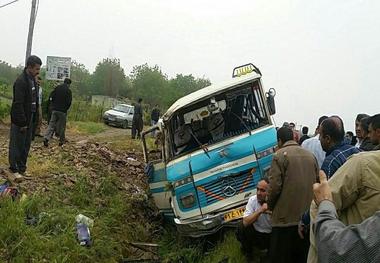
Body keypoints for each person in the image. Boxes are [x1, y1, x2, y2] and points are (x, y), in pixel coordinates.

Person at [307, 150, 380, 263]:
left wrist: (325, 204)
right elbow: (317, 204)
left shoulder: (362, 165)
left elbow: (334, 249)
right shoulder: (363, 165)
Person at [267, 127, 318, 263]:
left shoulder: (278, 156)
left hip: (285, 219)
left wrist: (270, 206)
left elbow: (274, 187)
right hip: (308, 217)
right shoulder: (310, 155)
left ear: (279, 140)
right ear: (294, 137)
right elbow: (317, 182)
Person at [8, 55, 42, 181]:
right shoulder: (21, 81)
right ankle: (14, 168)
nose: (38, 71)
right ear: (29, 67)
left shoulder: (33, 80)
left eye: (39, 69)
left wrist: (35, 119)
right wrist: (22, 123)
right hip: (20, 120)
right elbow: (18, 104)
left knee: (26, 145)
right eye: (36, 69)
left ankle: (22, 168)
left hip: (30, 118)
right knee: (17, 145)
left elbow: (34, 100)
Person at [236, 178, 272, 260]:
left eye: (263, 190)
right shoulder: (253, 200)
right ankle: (248, 252)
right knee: (241, 226)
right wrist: (260, 210)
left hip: (271, 235)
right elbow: (245, 222)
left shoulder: (275, 201)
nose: (259, 193)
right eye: (257, 189)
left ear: (269, 192)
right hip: (257, 233)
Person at [43, 78, 72, 147]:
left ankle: (46, 138)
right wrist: (65, 109)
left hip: (55, 110)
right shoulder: (68, 91)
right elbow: (69, 102)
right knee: (62, 126)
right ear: (69, 84)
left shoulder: (57, 88)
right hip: (62, 111)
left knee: (51, 124)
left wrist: (53, 106)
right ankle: (61, 141)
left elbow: (52, 97)